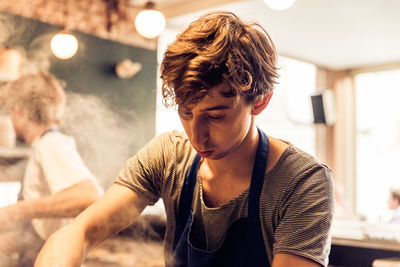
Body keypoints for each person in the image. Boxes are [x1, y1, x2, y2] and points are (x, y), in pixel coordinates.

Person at [35, 11, 334, 267]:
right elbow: (81, 232)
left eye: (216, 116)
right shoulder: (168, 157)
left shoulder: (303, 183)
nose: (197, 136)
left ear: (259, 102)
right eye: (186, 113)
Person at [0, 72, 102, 266]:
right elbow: (38, 229)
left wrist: (13, 211)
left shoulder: (51, 144)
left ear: (20, 111)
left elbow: (88, 196)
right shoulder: (44, 145)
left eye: (11, 110)